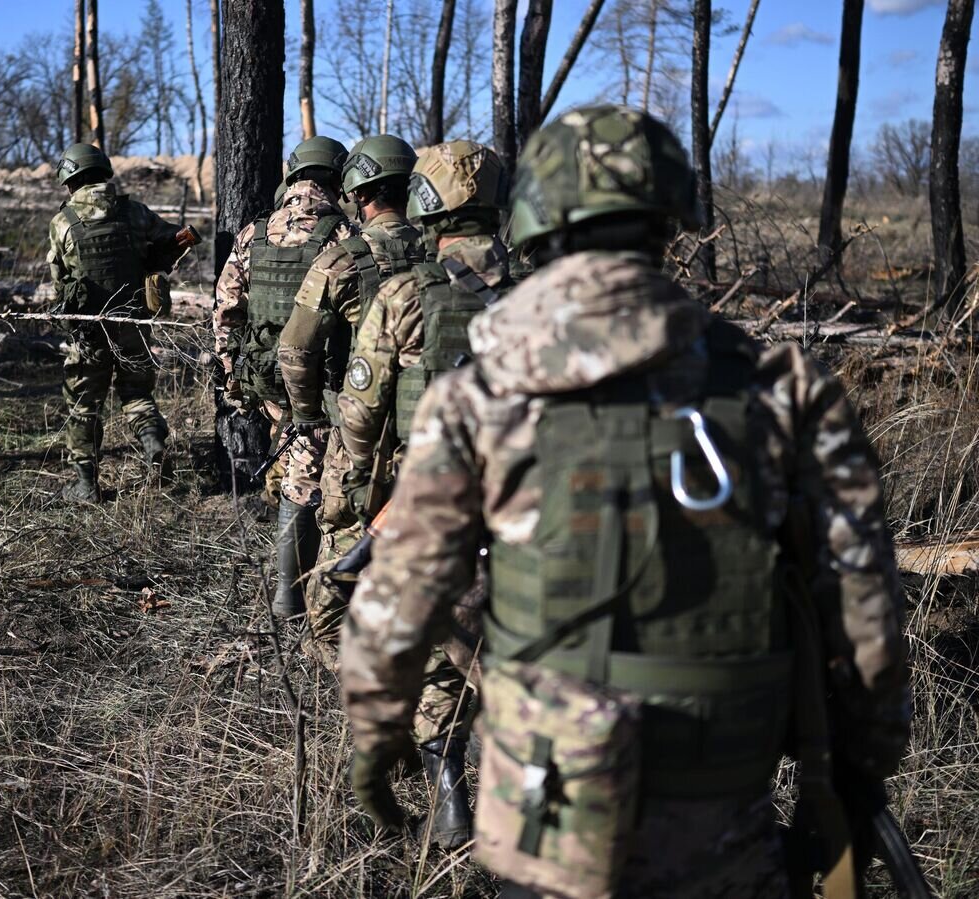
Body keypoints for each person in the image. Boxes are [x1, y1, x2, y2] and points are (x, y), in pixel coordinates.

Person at [340, 106, 911, 897]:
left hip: (546, 820)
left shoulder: (478, 399)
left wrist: (376, 747)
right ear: (669, 221)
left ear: (534, 222)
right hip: (723, 817)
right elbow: (867, 621)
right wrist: (858, 776)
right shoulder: (785, 391)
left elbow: (399, 601)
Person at [333, 139, 514, 849]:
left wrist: (364, 484)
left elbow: (359, 414)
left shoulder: (406, 294)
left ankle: (451, 800)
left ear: (428, 205)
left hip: (431, 502)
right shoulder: (549, 290)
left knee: (443, 647)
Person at [276, 134, 425, 657]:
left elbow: (295, 349)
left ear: (358, 192)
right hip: (436, 429)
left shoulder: (342, 260)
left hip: (359, 428)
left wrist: (308, 416)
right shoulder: (441, 253)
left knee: (343, 538)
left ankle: (332, 655)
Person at [213, 136, 356, 616]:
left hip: (264, 379)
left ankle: (292, 577)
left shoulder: (254, 233)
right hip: (319, 382)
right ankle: (290, 600)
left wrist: (232, 375)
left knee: (291, 458)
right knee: (306, 476)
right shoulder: (344, 235)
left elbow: (226, 312)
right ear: (337, 177)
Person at [48, 142, 193, 502]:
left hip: (90, 329)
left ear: (70, 180)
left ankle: (85, 485)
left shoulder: (63, 222)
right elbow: (178, 237)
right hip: (133, 323)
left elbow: (60, 282)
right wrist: (152, 262)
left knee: (83, 405)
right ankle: (153, 444)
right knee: (137, 393)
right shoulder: (135, 212)